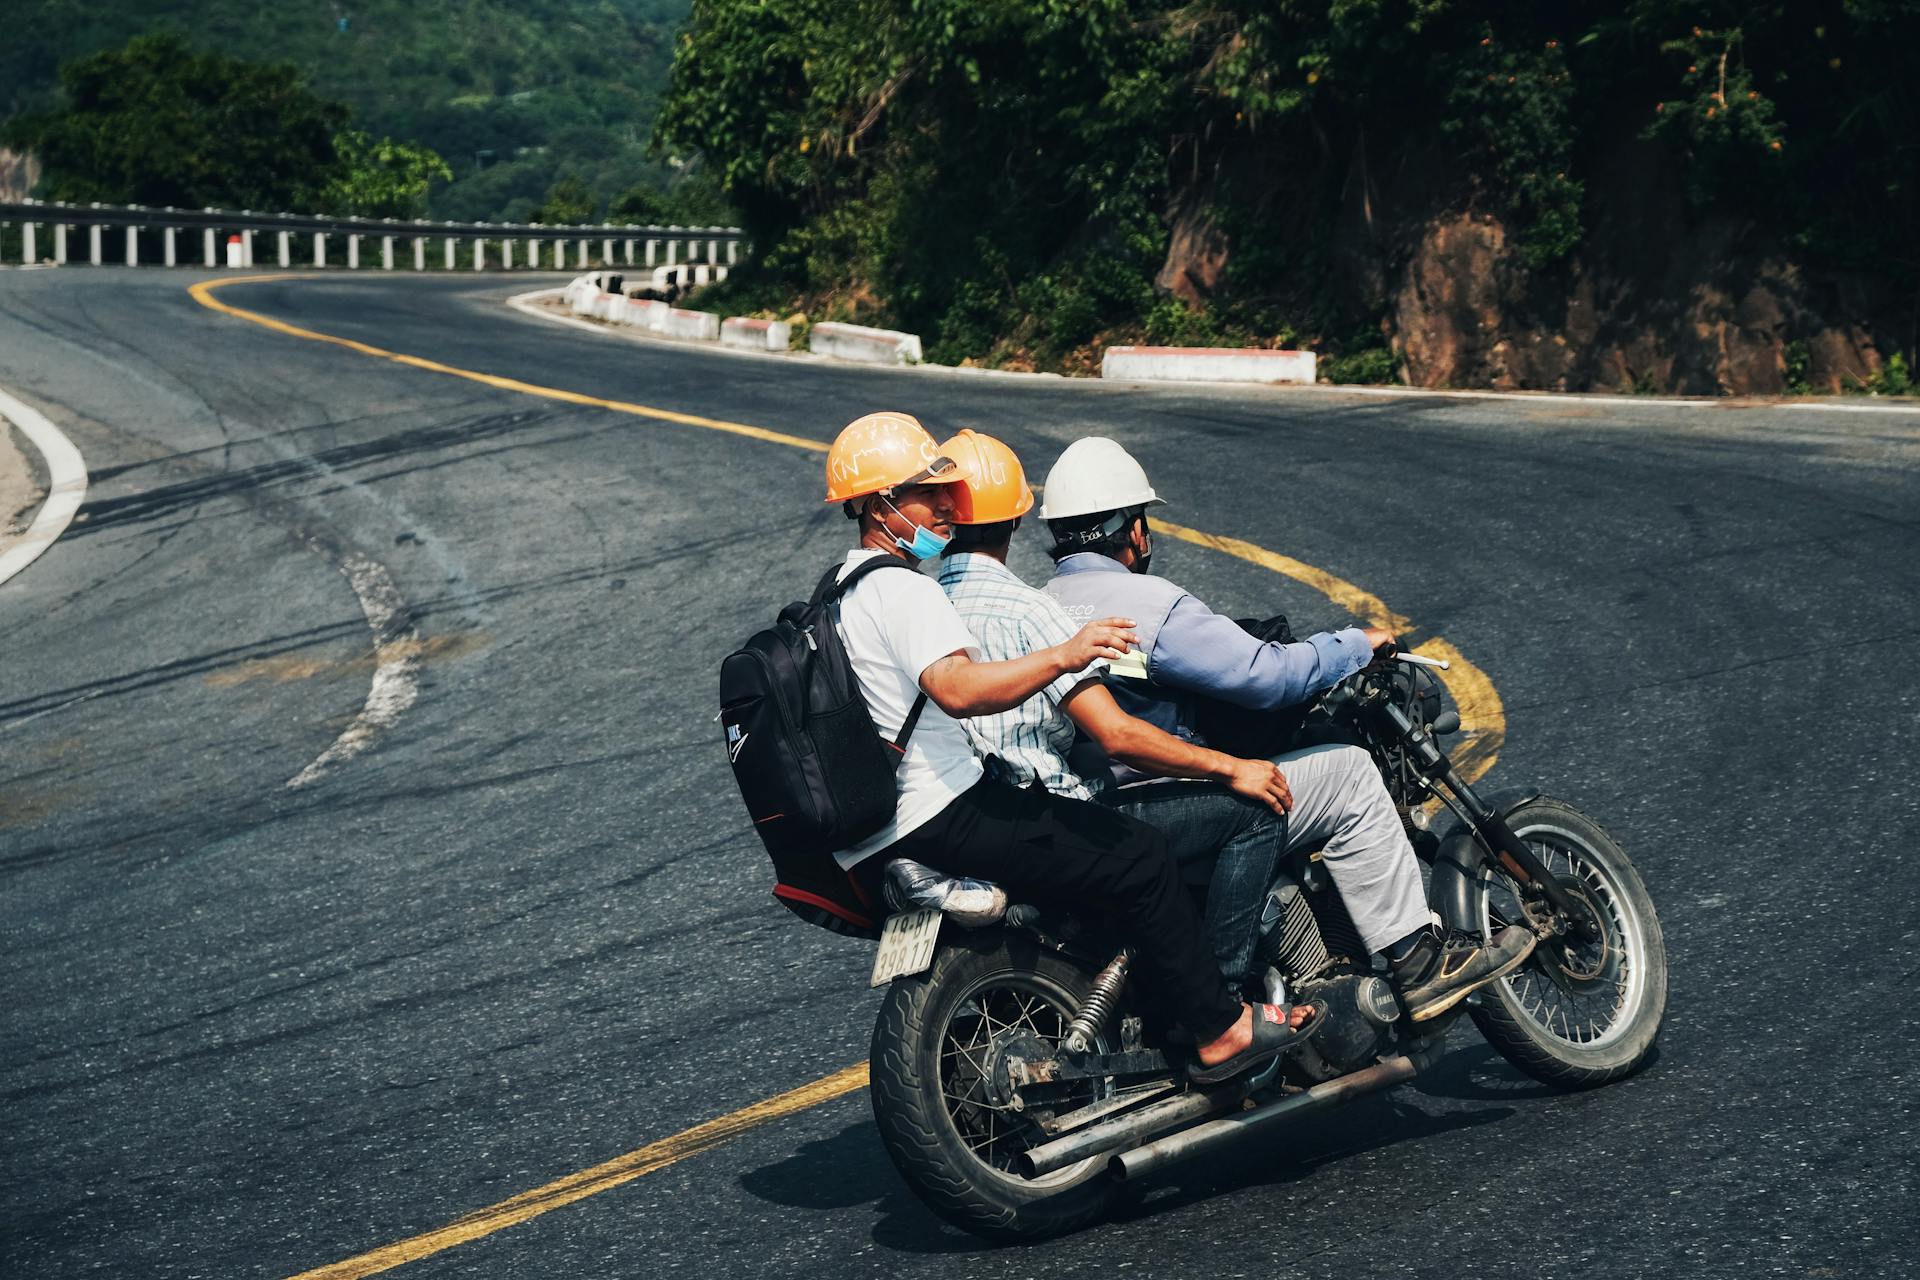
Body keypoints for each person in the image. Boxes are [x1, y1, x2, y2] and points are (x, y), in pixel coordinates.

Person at [821, 410, 1309, 1084]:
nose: (942, 505)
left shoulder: (839, 594)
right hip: (948, 809)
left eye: (947, 493)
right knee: (1141, 855)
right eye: (926, 493)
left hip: (884, 824)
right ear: (880, 505)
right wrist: (1064, 655)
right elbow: (961, 688)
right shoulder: (907, 590)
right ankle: (1219, 1026)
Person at [1039, 436, 1536, 1021]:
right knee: (1348, 773)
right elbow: (1264, 676)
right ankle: (1418, 962)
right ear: (1131, 528)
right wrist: (1354, 644)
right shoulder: (1148, 604)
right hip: (1165, 800)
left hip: (1093, 808)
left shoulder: (1041, 603)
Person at [932, 428, 1291, 1000]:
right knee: (1254, 811)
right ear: (1018, 520)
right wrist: (1231, 767)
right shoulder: (1033, 611)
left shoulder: (923, 605)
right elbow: (1117, 736)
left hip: (966, 820)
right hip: (1054, 816)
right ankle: (1224, 1003)